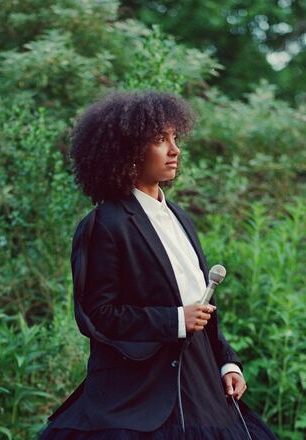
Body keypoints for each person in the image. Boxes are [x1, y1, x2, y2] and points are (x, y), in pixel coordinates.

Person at [38, 90, 278, 439]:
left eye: (174, 138)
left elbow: (202, 305)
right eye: (159, 140)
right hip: (137, 395)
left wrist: (227, 362)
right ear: (128, 152)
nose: (174, 149)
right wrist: (175, 319)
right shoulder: (104, 223)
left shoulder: (180, 217)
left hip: (202, 385)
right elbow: (97, 315)